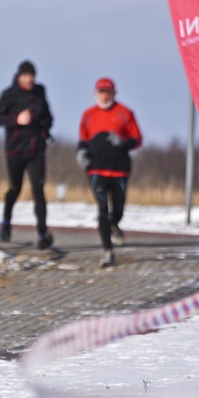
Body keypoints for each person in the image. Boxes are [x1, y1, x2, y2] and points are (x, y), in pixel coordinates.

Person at [76, 77, 142, 268]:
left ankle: (115, 224)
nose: (105, 95)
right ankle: (107, 251)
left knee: (118, 208)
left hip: (119, 168)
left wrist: (123, 142)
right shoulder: (88, 115)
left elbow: (137, 138)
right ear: (95, 93)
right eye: (101, 92)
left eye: (108, 92)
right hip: (96, 169)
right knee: (102, 210)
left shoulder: (125, 113)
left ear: (114, 93)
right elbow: (83, 141)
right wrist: (80, 153)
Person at [0, 60, 54, 249]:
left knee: (38, 189)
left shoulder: (40, 91)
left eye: (32, 76)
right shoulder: (9, 94)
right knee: (15, 189)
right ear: (19, 77)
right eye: (26, 76)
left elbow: (49, 115)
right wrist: (16, 119)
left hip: (36, 149)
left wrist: (45, 126)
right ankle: (6, 222)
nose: (30, 79)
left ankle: (43, 233)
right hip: (15, 150)